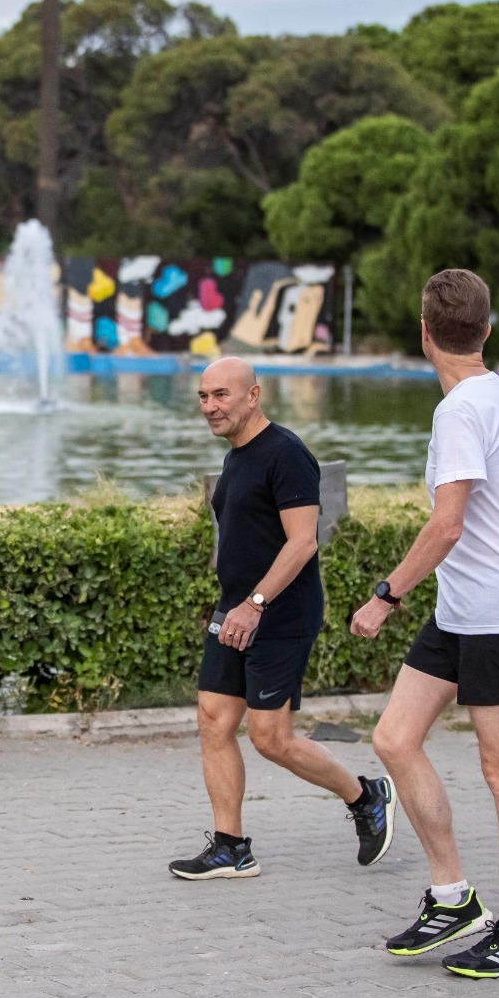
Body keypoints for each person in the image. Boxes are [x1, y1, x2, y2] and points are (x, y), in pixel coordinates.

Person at [350, 269, 499, 978]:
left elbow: (447, 524)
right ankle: (452, 897)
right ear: (486, 330)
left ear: (425, 333)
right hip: (461, 609)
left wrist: (385, 595)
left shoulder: (461, 410)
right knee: (394, 738)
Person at [170, 357, 396, 881]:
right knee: (213, 721)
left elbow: (302, 542)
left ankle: (365, 796)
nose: (210, 407)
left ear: (253, 395)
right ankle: (230, 847)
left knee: (271, 738)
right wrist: (236, 602)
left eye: (222, 395)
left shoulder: (286, 453)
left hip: (278, 613)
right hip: (235, 608)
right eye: (204, 396)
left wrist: (255, 604)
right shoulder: (237, 456)